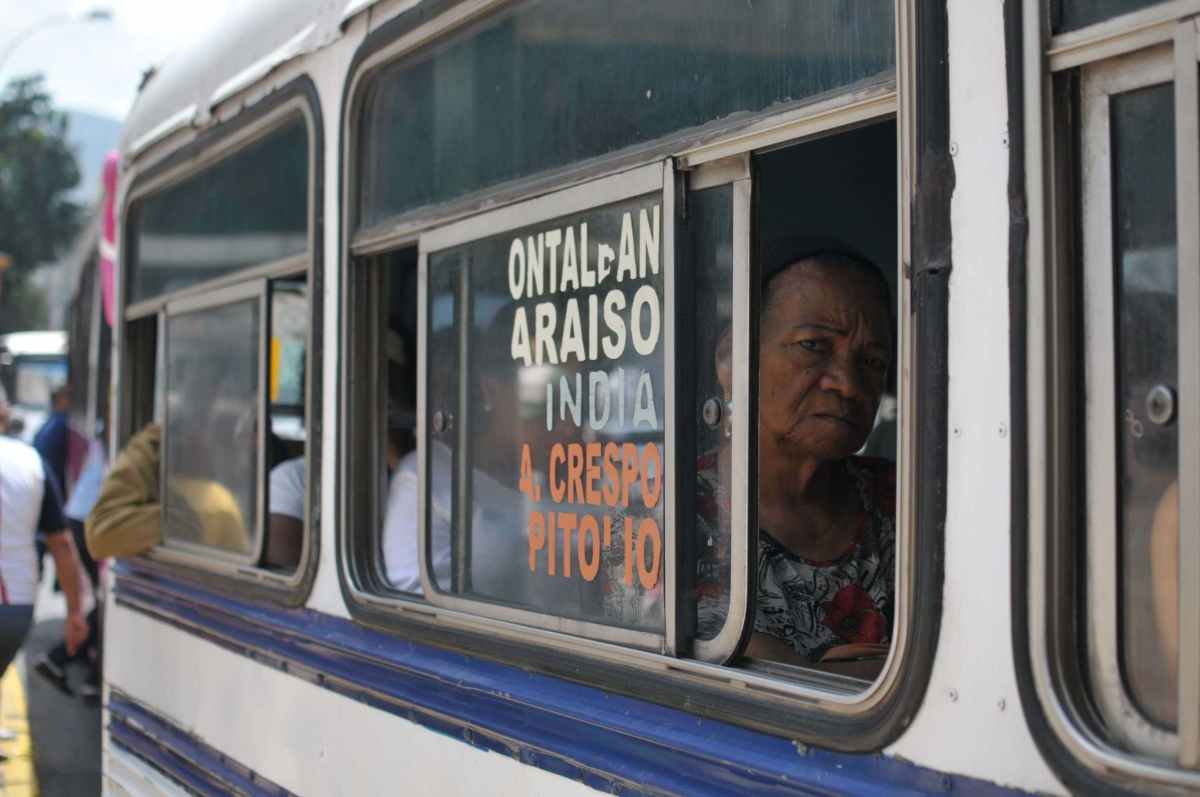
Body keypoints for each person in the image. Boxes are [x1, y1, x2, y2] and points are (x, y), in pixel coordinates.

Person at [698, 247, 895, 671]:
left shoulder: (908, 503)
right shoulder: (670, 512)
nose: (847, 383)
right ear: (732, 356)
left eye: (873, 362)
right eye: (813, 346)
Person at [0, 387, 88, 694]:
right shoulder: (31, 462)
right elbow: (62, 544)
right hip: (14, 609)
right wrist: (75, 612)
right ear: (6, 413)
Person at [34, 431, 108, 700]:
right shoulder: (116, 440)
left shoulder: (102, 439)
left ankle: (64, 658)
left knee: (104, 601)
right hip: (90, 520)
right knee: (106, 602)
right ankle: (78, 668)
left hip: (83, 517)